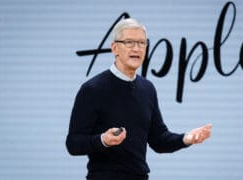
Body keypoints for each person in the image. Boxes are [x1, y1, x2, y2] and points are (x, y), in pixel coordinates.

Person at [66, 18, 212, 180]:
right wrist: (103, 140)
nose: (137, 48)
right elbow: (73, 143)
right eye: (129, 42)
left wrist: (186, 138)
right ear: (115, 48)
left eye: (142, 43)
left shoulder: (147, 88)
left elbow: (159, 139)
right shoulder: (93, 89)